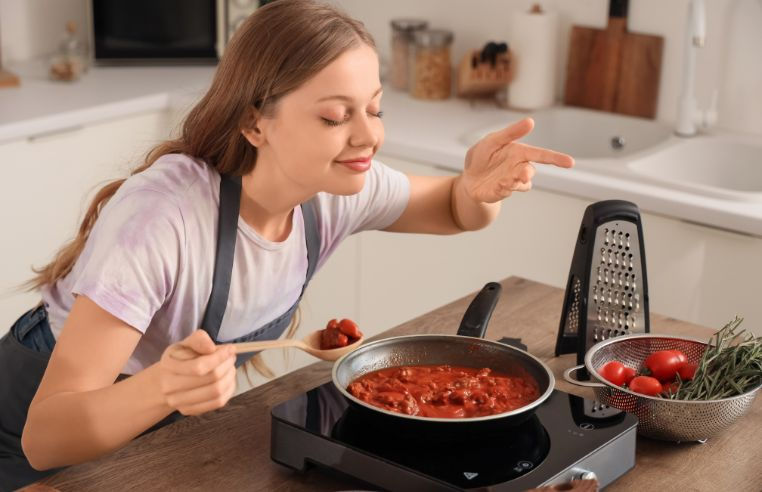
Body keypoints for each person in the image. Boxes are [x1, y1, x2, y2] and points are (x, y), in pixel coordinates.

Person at [0, 0, 573, 488]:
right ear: (255, 125)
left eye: (374, 108)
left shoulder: (336, 189)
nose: (369, 134)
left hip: (161, 430)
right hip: (34, 435)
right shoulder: (163, 217)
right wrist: (164, 389)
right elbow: (46, 438)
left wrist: (478, 188)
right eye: (334, 116)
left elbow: (452, 207)